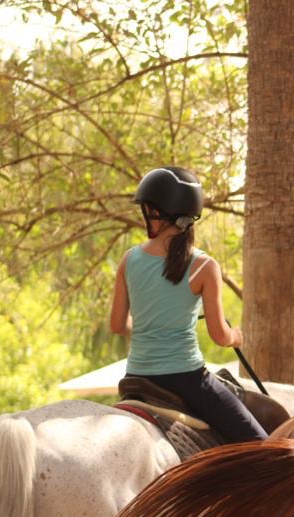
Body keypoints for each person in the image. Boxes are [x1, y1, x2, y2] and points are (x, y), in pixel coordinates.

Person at [110, 166, 267, 443]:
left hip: (136, 377)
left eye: (148, 209)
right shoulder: (204, 266)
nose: (145, 215)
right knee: (264, 447)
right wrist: (235, 337)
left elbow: (117, 325)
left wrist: (150, 324)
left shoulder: (129, 260)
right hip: (187, 380)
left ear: (159, 212)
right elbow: (219, 336)